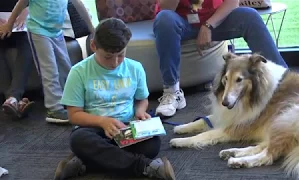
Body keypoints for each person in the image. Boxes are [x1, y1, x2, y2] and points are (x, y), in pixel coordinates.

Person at [53, 18, 176, 180]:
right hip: (94, 129)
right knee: (78, 139)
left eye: (121, 55)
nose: (115, 63)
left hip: (125, 128)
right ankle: (144, 166)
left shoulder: (135, 68)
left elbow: (142, 99)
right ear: (93, 46)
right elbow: (74, 115)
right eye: (108, 57)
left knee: (152, 144)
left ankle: (84, 163)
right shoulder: (79, 72)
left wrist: (140, 112)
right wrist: (102, 122)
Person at [153, 0, 289, 117]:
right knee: (164, 19)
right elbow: (166, 8)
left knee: (250, 16)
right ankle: (172, 91)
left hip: (215, 20)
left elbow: (232, 2)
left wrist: (208, 25)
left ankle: (284, 83)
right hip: (180, 21)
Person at [0, 0, 95, 123]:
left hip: (56, 32)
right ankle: (54, 109)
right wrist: (9, 24)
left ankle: (71, 102)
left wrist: (92, 29)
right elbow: (22, 3)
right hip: (38, 32)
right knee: (49, 70)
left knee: (66, 67)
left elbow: (79, 5)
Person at [0, 2, 35, 119]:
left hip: (23, 25)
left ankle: (12, 98)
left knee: (27, 42)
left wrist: (28, 11)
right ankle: (12, 99)